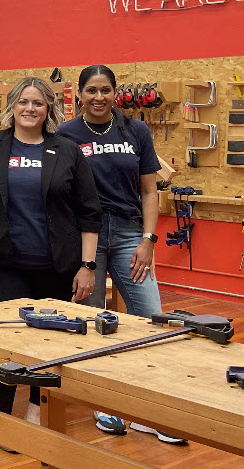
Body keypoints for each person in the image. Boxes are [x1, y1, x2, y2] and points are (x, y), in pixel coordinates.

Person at [0, 76, 101, 442]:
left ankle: (36, 407)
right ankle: (3, 415)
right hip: (1, 263)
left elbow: (89, 212)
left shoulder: (66, 150)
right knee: (6, 340)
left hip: (55, 265)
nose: (29, 109)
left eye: (37, 103)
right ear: (12, 106)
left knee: (46, 341)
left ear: (48, 108)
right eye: (23, 102)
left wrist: (88, 265)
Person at [58, 66, 182, 444]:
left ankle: (150, 408)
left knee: (151, 319)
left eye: (106, 90)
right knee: (96, 321)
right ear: (79, 94)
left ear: (115, 93)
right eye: (92, 90)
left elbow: (149, 190)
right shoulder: (66, 134)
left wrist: (148, 240)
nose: (99, 97)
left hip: (130, 234)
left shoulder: (136, 131)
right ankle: (105, 403)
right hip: (87, 236)